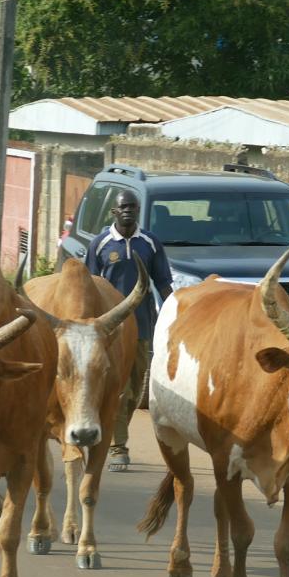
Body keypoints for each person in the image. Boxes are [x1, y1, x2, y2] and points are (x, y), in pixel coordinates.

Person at [85, 189, 174, 472]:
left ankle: (110, 429)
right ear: (114, 211)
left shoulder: (150, 243)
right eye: (123, 208)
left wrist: (174, 318)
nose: (128, 212)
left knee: (135, 391)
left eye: (133, 208)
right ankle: (117, 448)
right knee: (118, 390)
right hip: (108, 331)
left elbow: (164, 286)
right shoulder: (100, 245)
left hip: (142, 326)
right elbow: (89, 287)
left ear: (138, 211)